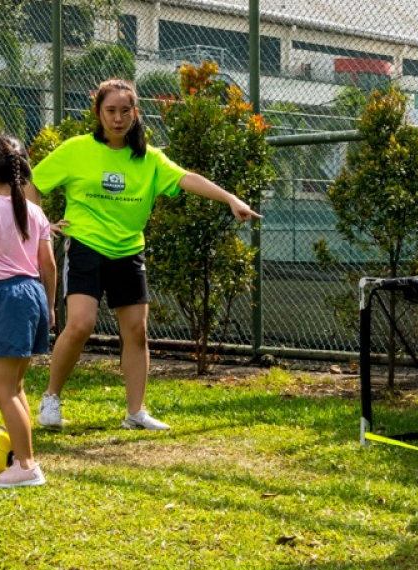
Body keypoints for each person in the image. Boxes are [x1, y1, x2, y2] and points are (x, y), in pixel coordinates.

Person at [27, 78, 261, 433]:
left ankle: (135, 413)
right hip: (87, 246)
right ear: (98, 113)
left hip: (129, 251)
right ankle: (51, 399)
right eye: (110, 111)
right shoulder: (76, 149)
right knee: (80, 324)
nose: (118, 118)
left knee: (136, 330)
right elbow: (33, 183)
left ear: (135, 114)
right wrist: (41, 224)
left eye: (125, 111)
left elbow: (187, 178)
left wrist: (231, 199)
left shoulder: (148, 158)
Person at [0, 133, 57, 489]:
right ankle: (24, 460)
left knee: (3, 390)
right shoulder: (36, 211)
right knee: (15, 387)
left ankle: (27, 466)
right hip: (32, 293)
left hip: (8, 296)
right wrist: (47, 305)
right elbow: (48, 265)